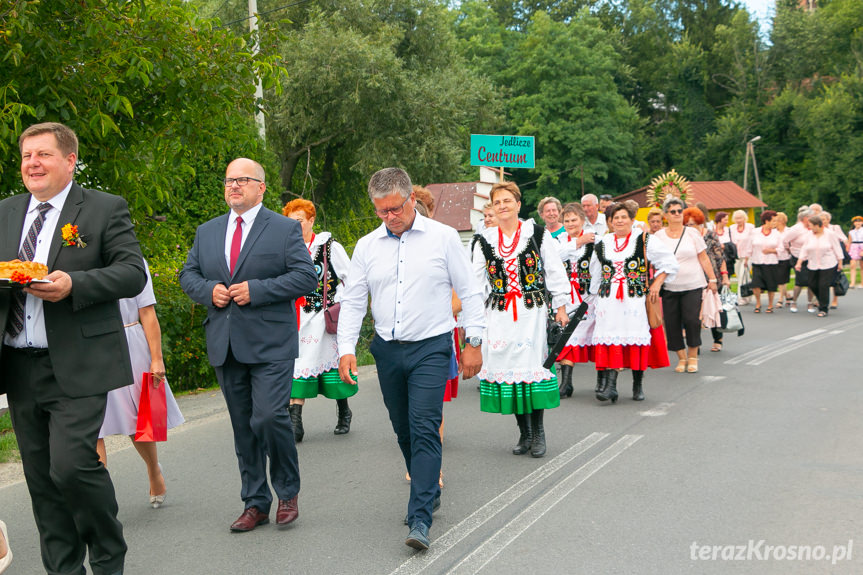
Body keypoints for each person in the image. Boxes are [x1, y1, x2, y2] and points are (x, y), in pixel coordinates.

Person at [0, 122, 147, 575]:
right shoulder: (5, 212)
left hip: (79, 363)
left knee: (71, 467)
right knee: (42, 482)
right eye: (27, 156)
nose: (32, 164)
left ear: (69, 161)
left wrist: (74, 283)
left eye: (43, 154)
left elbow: (131, 273)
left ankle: (107, 556)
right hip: (19, 367)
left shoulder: (103, 209)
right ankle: (64, 570)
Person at [337, 167, 485, 552]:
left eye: (396, 209)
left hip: (431, 347)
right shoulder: (367, 246)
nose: (390, 217)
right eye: (381, 212)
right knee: (402, 428)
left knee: (424, 426)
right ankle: (427, 483)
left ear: (411, 200)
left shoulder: (444, 238)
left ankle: (420, 516)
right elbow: (353, 300)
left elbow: (469, 292)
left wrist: (474, 340)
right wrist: (346, 350)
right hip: (387, 349)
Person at [180, 158, 317, 533]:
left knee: (269, 416)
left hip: (271, 342)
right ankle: (255, 502)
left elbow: (306, 276)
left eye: (243, 179)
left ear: (262, 187)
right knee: (243, 426)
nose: (234, 185)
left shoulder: (284, 228)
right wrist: (209, 291)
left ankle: (287, 492)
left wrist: (256, 290)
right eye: (229, 180)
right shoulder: (207, 231)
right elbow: (187, 274)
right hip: (225, 343)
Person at [473, 181, 569, 458]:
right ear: (492, 207)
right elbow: (477, 284)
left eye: (507, 200)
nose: (502, 206)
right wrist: (474, 317)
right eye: (497, 202)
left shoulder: (537, 234)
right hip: (499, 314)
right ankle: (523, 432)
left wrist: (561, 306)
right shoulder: (483, 241)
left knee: (532, 370)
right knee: (508, 371)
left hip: (532, 312)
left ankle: (538, 433)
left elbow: (554, 271)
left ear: (518, 203)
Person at [97, 261, 185, 508]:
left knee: (139, 420)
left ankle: (153, 469)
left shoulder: (133, 261)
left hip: (130, 343)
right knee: (93, 425)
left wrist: (157, 359)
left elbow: (147, 312)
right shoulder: (77, 255)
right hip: (89, 347)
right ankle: (100, 499)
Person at [281, 199, 354, 441]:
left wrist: (336, 303)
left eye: (299, 220)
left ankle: (344, 411)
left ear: (311, 220)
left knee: (331, 367)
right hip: (296, 319)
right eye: (290, 222)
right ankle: (295, 422)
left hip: (323, 319)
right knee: (299, 365)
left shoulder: (329, 247)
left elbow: (350, 279)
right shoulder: (285, 249)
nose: (295, 226)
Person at [590, 202, 678, 401]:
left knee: (634, 340)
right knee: (611, 340)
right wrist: (593, 301)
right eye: (615, 218)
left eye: (623, 217)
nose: (619, 221)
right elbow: (596, 275)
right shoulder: (603, 243)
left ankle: (637, 385)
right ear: (610, 222)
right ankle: (611, 386)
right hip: (608, 300)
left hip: (634, 300)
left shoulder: (645, 240)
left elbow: (669, 263)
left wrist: (656, 284)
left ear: (631, 220)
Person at [654, 197, 717, 373]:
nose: (676, 214)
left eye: (679, 211)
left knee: (691, 321)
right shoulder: (658, 236)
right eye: (672, 211)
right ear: (666, 215)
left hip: (693, 284)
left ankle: (693, 356)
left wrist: (712, 279)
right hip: (669, 286)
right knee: (672, 323)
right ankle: (681, 358)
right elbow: (655, 261)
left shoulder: (692, 234)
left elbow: (703, 257)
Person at [555, 202, 597, 397]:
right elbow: (555, 257)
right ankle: (566, 383)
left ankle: (603, 379)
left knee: (596, 337)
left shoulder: (596, 239)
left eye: (574, 220)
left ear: (582, 220)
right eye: (567, 220)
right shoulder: (559, 240)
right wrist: (578, 242)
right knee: (567, 336)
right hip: (566, 297)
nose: (570, 224)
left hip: (590, 296)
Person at [684, 208, 730, 352]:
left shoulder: (710, 235)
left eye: (693, 224)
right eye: (688, 224)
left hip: (711, 277)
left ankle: (717, 338)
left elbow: (720, 257)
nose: (691, 227)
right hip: (693, 278)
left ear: (700, 222)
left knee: (713, 309)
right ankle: (695, 344)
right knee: (693, 314)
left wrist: (724, 276)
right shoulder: (685, 237)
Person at [796, 214, 843, 317]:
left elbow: (837, 248)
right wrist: (799, 262)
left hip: (828, 263)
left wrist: (840, 262)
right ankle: (822, 300)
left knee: (823, 285)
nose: (810, 227)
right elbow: (804, 249)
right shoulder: (809, 235)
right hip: (813, 264)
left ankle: (823, 308)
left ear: (818, 225)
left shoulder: (830, 234)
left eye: (811, 225)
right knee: (812, 284)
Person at [744, 210, 782, 313]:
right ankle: (758, 303)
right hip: (757, 261)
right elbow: (749, 246)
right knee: (756, 283)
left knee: (771, 284)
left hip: (771, 262)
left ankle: (770, 305)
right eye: (773, 221)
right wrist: (746, 258)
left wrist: (771, 250)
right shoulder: (755, 232)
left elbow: (781, 249)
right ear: (766, 221)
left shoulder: (777, 234)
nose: (775, 224)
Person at [784, 207, 814, 313]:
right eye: (811, 217)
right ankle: (794, 301)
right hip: (798, 257)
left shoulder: (812, 228)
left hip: (811, 257)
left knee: (812, 281)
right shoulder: (796, 228)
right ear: (805, 218)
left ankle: (810, 303)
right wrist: (790, 250)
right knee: (800, 281)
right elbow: (785, 240)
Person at [728, 210, 754, 304]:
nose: (738, 220)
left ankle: (740, 298)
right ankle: (748, 294)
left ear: (744, 218)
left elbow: (752, 242)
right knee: (741, 277)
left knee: (743, 276)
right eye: (736, 218)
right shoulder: (731, 228)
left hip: (747, 256)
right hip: (736, 257)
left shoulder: (750, 227)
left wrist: (747, 257)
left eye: (740, 218)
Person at [822, 211, 845, 309]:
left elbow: (844, 239)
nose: (822, 221)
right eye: (820, 220)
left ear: (828, 219)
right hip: (822, 258)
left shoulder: (835, 228)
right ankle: (822, 300)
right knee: (823, 281)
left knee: (834, 280)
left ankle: (834, 300)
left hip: (834, 257)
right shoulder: (818, 230)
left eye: (823, 219)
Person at [774, 212, 792, 307]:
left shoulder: (789, 231)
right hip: (774, 258)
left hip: (785, 257)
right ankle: (787, 295)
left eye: (776, 220)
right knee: (778, 279)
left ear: (781, 221)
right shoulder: (773, 232)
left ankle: (781, 298)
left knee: (782, 279)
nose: (774, 222)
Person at [848, 216, 863, 288]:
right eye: (856, 222)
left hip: (862, 245)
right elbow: (849, 241)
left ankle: (862, 283)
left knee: (862, 266)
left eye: (860, 221)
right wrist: (847, 249)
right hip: (854, 246)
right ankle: (852, 283)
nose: (858, 223)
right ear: (854, 223)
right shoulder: (851, 232)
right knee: (852, 265)